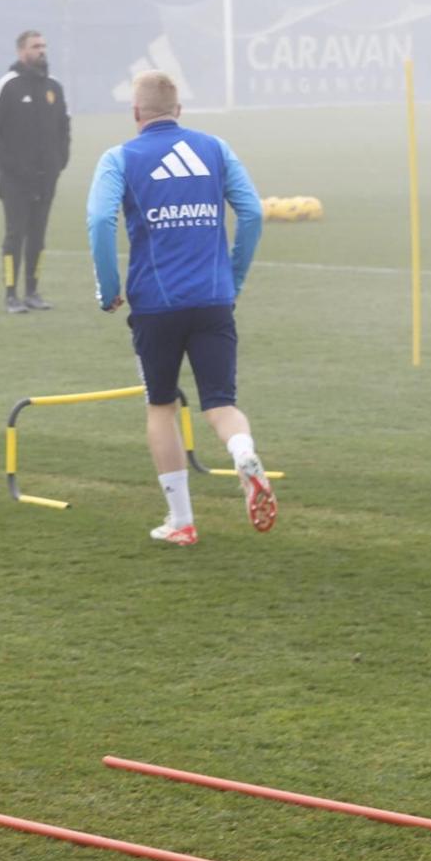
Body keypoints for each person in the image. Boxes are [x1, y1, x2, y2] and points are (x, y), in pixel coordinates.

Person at [85, 71, 274, 546]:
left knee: (161, 406)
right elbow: (252, 212)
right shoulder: (214, 148)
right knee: (221, 404)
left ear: (135, 114)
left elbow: (99, 218)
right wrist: (235, 277)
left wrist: (108, 288)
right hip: (214, 299)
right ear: (179, 111)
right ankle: (244, 453)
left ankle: (182, 521)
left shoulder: (120, 158)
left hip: (155, 305)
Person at [0, 29, 70, 313]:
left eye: (44, 45)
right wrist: (12, 167)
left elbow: (64, 127)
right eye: (36, 46)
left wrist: (60, 162)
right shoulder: (6, 86)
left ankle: (33, 292)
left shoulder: (54, 87)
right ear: (21, 51)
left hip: (47, 179)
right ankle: (11, 295)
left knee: (38, 236)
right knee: (15, 234)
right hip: (14, 180)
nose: (42, 50)